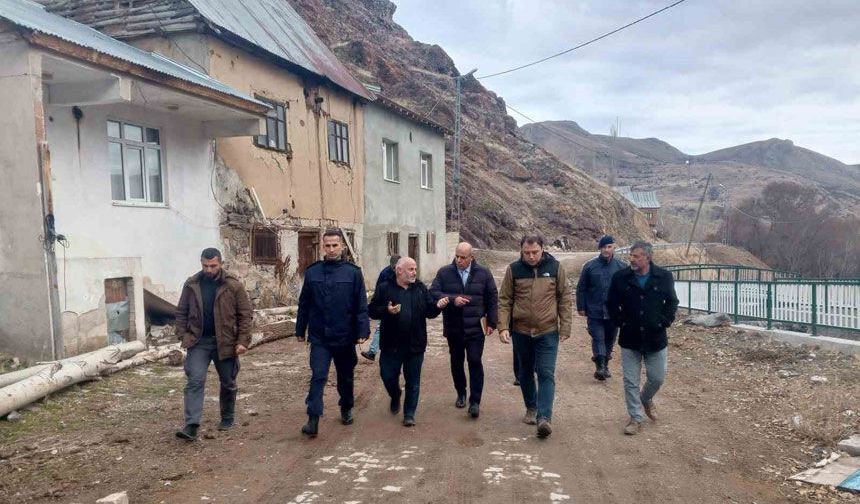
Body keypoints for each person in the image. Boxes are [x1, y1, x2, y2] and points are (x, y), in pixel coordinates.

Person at [295, 229, 370, 438]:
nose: (331, 249)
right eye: (327, 245)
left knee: (345, 377)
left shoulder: (353, 273)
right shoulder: (313, 272)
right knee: (318, 376)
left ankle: (346, 407)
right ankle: (313, 419)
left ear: (342, 246)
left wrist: (362, 330)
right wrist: (300, 329)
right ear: (323, 246)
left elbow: (361, 305)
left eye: (335, 245)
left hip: (345, 336)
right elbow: (304, 304)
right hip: (320, 336)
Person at [497, 235, 572, 439]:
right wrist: (503, 326)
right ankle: (531, 407)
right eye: (526, 253)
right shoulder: (514, 270)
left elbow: (564, 297)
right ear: (521, 251)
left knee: (546, 372)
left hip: (547, 331)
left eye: (535, 252)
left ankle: (544, 417)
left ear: (542, 249)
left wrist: (565, 326)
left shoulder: (555, 268)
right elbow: (504, 299)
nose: (530, 256)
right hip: (521, 331)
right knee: (525, 372)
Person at [175, 248, 252, 441]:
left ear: (221, 264)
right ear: (201, 263)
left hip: (225, 342)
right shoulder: (192, 284)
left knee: (228, 381)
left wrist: (242, 341)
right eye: (205, 266)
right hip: (198, 342)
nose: (209, 270)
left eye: (213, 266)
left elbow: (245, 314)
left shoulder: (233, 285)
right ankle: (191, 425)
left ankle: (227, 417)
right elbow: (181, 311)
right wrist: (182, 335)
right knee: (194, 380)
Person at [606, 241, 679, 436]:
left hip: (655, 338)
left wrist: (664, 321)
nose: (632, 259)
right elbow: (611, 303)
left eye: (637, 256)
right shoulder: (620, 278)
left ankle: (645, 398)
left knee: (657, 377)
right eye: (631, 255)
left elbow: (672, 302)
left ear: (648, 257)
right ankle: (635, 418)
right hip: (630, 338)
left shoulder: (663, 277)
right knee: (630, 380)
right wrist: (620, 322)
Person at [369, 257, 446, 427]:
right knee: (387, 375)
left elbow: (429, 312)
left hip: (415, 344)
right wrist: (386, 310)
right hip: (391, 344)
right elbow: (372, 311)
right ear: (399, 271)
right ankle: (395, 394)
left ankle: (409, 413)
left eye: (415, 269)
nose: (414, 272)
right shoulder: (384, 288)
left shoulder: (419, 288)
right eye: (411, 269)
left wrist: (438, 306)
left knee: (413, 381)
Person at [430, 242, 498, 418]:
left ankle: (475, 401)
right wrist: (452, 300)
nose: (459, 260)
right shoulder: (444, 273)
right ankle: (461, 392)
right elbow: (433, 292)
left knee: (475, 361)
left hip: (476, 327)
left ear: (471, 257)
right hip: (454, 327)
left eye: (463, 257)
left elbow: (492, 297)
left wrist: (492, 321)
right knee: (457, 361)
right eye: (457, 256)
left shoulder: (484, 273)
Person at [576, 235, 627, 381]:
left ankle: (605, 365)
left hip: (614, 312)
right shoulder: (590, 266)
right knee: (598, 337)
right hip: (594, 310)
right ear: (600, 248)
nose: (606, 250)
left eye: (609, 247)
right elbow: (581, 288)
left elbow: (628, 290)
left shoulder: (622, 267)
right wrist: (581, 306)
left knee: (610, 339)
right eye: (603, 247)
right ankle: (600, 367)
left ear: (613, 247)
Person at [361, 254, 400, 361]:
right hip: (387, 306)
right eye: (394, 268)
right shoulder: (385, 273)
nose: (396, 270)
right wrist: (382, 306)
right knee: (380, 327)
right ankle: (373, 351)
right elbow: (379, 290)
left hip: (402, 305)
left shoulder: (405, 271)